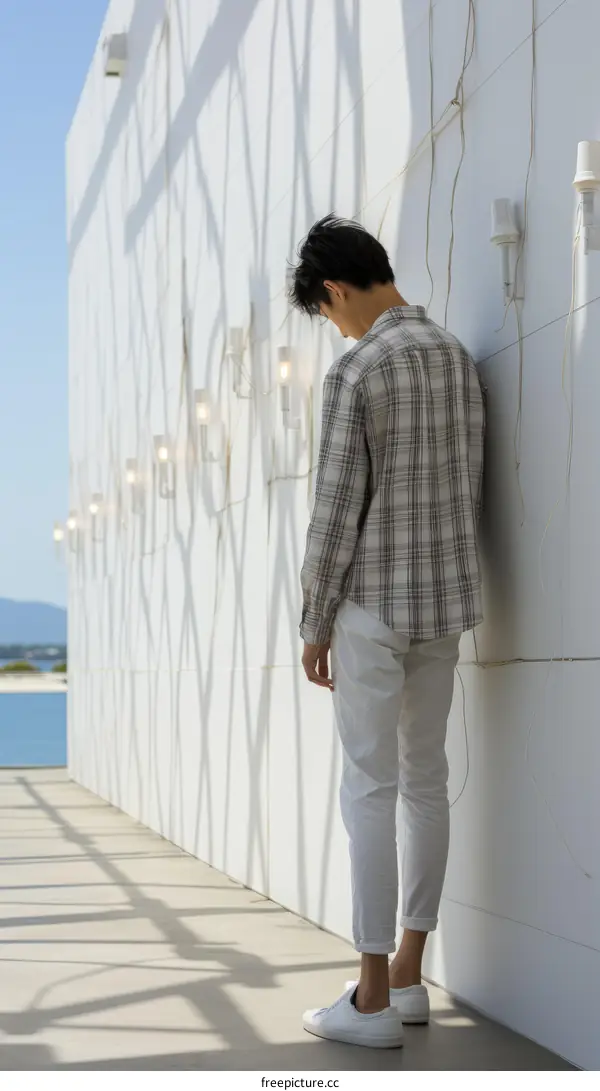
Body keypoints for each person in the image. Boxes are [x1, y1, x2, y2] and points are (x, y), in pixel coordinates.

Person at [289, 215, 485, 1049]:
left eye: (328, 312)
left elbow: (335, 514)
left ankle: (368, 1000)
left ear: (335, 290)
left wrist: (313, 622)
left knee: (367, 788)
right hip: (445, 601)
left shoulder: (357, 369)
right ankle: (407, 972)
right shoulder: (456, 357)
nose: (336, 326)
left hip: (373, 606)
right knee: (426, 780)